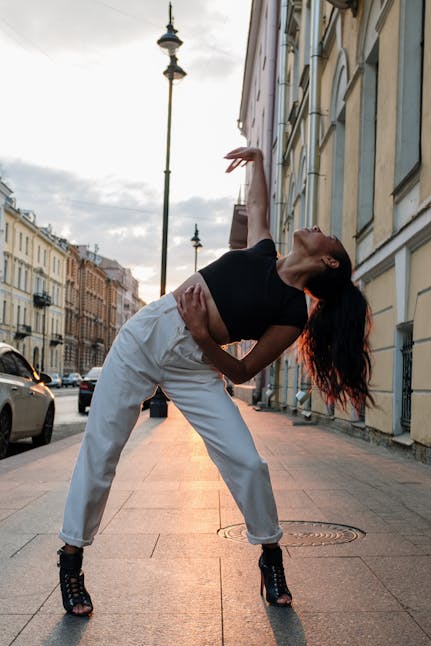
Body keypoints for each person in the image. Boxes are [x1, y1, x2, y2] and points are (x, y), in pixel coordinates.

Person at [57, 146, 373, 616]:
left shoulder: (293, 314)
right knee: (101, 452)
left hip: (195, 365)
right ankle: (71, 559)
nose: (316, 229)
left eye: (327, 236)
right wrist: (261, 159)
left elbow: (243, 371)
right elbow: (260, 207)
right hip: (145, 337)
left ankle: (270, 557)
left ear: (329, 262)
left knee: (248, 462)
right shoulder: (264, 250)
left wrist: (204, 338)